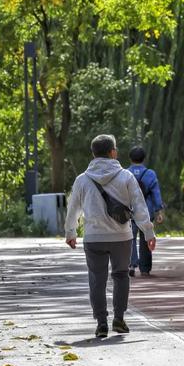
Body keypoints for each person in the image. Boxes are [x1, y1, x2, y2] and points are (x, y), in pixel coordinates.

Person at [65, 134, 156, 338]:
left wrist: (70, 232)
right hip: (122, 237)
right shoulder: (126, 176)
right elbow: (139, 206)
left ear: (93, 154)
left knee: (97, 280)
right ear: (113, 152)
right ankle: (119, 319)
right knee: (121, 276)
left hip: (94, 238)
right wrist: (148, 232)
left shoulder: (82, 179)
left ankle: (101, 323)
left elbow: (73, 209)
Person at [127, 146, 164, 277]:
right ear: (144, 158)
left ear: (130, 158)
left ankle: (131, 264)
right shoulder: (150, 173)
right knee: (146, 238)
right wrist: (159, 211)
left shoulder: (125, 173)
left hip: (129, 211)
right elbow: (156, 193)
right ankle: (145, 269)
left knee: (129, 238)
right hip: (146, 211)